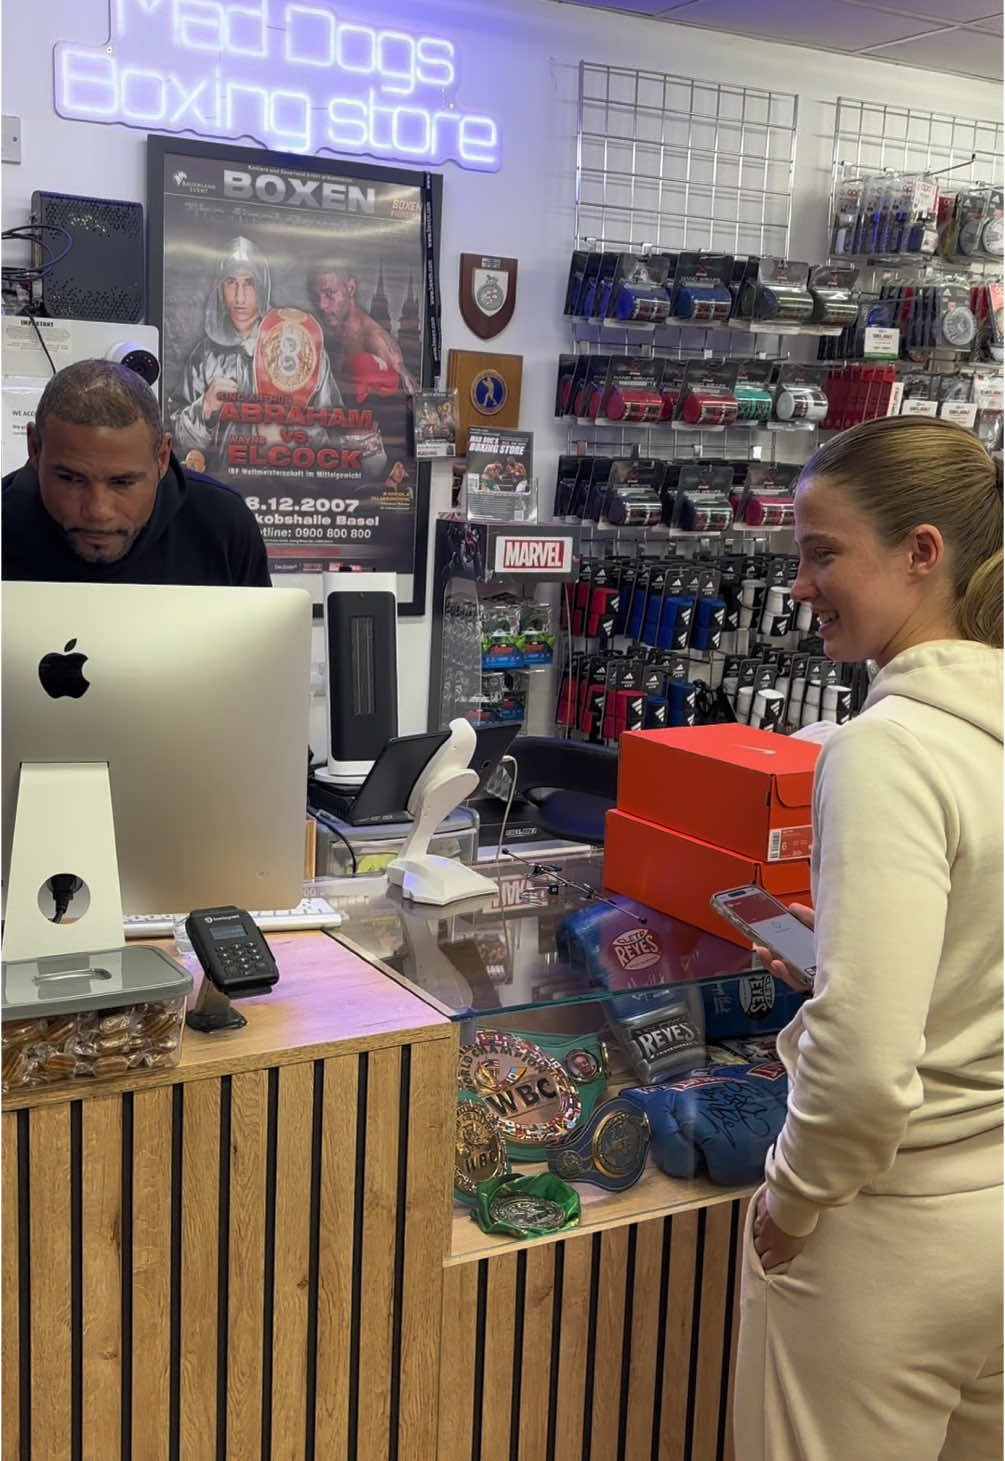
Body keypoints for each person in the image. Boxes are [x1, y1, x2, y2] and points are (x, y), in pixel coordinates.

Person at [734, 415, 1003, 1461]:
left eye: (822, 552)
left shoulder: (889, 745)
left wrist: (792, 1203)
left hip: (889, 1233)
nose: (800, 585)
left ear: (921, 553)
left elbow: (861, 1072)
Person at [2, 359, 271, 586]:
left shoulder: (222, 526)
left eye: (123, 482)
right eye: (70, 479)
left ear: (163, 457)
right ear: (34, 449)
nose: (98, 511)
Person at [170, 236, 341, 474]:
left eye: (249, 283)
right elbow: (178, 447)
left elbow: (335, 430)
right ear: (220, 287)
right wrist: (205, 409)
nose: (240, 298)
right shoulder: (204, 356)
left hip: (289, 495)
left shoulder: (301, 345)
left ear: (262, 287)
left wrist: (290, 430)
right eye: (231, 282)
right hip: (222, 493)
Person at [308, 262, 418, 398]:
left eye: (330, 294)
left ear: (351, 289)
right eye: (316, 297)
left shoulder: (376, 340)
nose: (321, 305)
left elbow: (414, 398)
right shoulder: (326, 333)